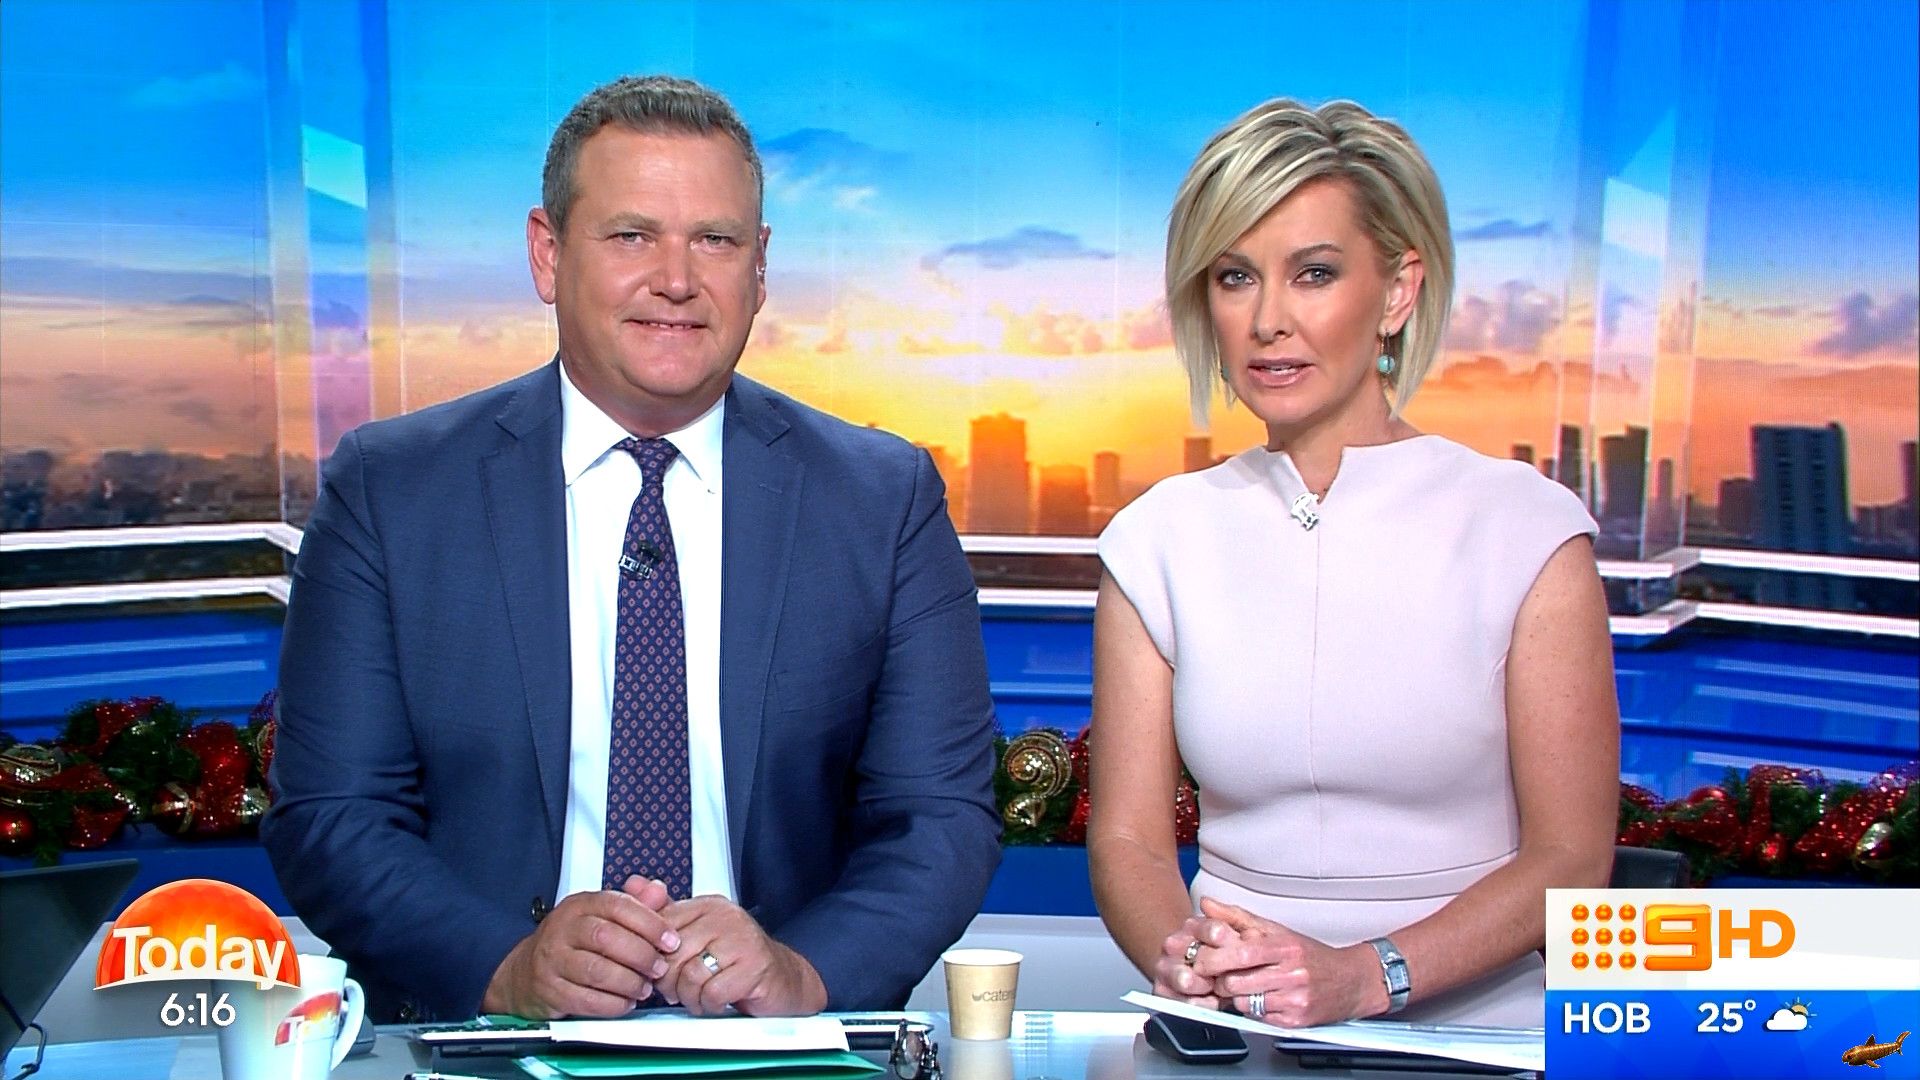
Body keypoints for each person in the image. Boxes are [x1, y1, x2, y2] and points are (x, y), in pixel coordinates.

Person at [261, 75, 1001, 1024]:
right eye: (631, 236)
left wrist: (804, 974)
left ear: (761, 266)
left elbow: (939, 818)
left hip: (778, 1051)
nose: (677, 279)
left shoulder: (881, 497)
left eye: (716, 240)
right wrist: (505, 969)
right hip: (484, 1043)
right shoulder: (390, 489)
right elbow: (333, 813)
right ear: (548, 253)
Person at [1087, 98, 1619, 1029]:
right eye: (1235, 277)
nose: (1268, 320)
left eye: (1315, 274)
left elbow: (1571, 859)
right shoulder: (1157, 539)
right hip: (1235, 1027)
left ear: (1398, 293)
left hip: (1475, 1035)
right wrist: (1189, 959)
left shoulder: (1526, 530)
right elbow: (1128, 840)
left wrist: (1367, 977)